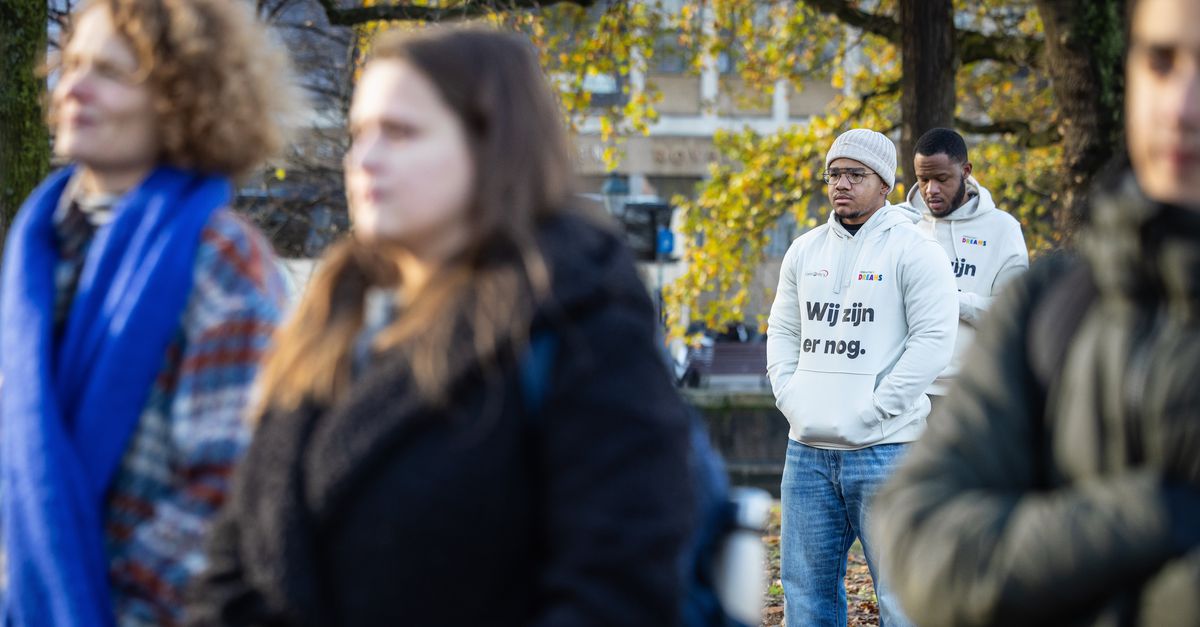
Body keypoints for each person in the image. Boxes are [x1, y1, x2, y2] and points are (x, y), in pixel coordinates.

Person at [185, 27, 693, 626]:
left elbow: (616, 592)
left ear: (491, 146)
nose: (364, 160)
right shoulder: (331, 319)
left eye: (399, 133)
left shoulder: (581, 324)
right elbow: (238, 565)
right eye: (359, 134)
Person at [871, 0, 1200, 625]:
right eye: (1161, 62)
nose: (1182, 107)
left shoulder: (1002, 234)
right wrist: (1152, 515)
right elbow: (924, 540)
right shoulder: (1056, 312)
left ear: (966, 172)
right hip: (921, 405)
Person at [0, 0, 294, 625]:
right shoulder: (37, 251)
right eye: (72, 63)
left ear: (181, 98)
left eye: (109, 72)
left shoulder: (222, 261)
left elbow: (229, 490)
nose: (73, 86)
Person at [765, 128, 957, 626]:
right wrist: (790, 397)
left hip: (887, 451)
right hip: (806, 452)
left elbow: (933, 341)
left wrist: (877, 409)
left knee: (901, 599)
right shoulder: (804, 251)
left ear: (886, 183)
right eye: (834, 174)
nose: (841, 184)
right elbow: (783, 330)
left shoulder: (915, 250)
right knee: (805, 598)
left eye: (856, 174)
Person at [901, 128, 1028, 407]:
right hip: (905, 395)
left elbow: (1013, 314)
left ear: (966, 170)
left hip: (972, 393)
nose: (930, 190)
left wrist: (951, 300)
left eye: (941, 179)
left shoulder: (1002, 230)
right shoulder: (902, 226)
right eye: (923, 179)